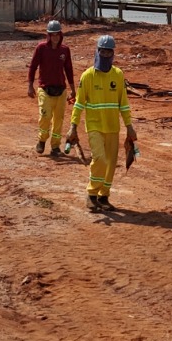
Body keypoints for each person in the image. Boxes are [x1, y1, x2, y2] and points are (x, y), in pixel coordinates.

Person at [65, 35, 136, 211]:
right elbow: (79, 103)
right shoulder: (87, 76)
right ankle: (91, 194)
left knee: (111, 163)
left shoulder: (118, 75)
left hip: (113, 128)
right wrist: (73, 126)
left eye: (108, 52)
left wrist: (130, 127)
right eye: (102, 51)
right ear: (97, 52)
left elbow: (124, 104)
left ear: (112, 54)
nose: (105, 55)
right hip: (95, 126)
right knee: (100, 160)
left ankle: (103, 196)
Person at [27, 20, 76, 156]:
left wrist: (73, 89)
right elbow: (33, 66)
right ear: (48, 35)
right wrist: (30, 86)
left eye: (57, 34)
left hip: (60, 90)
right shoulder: (41, 48)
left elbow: (69, 70)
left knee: (58, 120)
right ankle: (42, 140)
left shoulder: (65, 50)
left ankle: (55, 146)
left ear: (60, 35)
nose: (55, 37)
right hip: (45, 89)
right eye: (52, 35)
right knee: (45, 116)